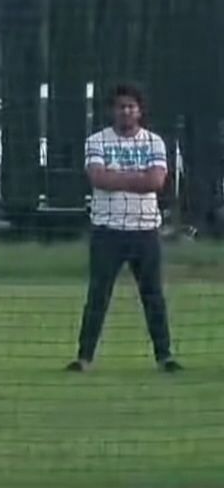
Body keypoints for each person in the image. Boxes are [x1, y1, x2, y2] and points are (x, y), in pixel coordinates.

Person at [67, 83, 181, 373]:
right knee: (98, 295)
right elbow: (98, 178)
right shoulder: (96, 141)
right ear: (112, 110)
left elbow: (156, 182)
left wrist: (118, 177)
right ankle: (84, 357)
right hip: (108, 229)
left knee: (153, 295)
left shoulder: (154, 142)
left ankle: (164, 356)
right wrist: (137, 179)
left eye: (131, 106)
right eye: (121, 106)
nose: (126, 111)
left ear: (140, 111)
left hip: (145, 230)